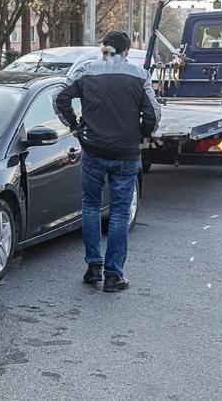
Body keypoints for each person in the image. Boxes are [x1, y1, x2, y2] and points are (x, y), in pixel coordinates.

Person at [54, 31, 161, 292]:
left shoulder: (87, 72)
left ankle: (93, 268)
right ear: (126, 51)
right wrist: (141, 134)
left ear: (105, 49)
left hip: (93, 150)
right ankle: (114, 275)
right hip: (125, 154)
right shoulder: (139, 76)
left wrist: (76, 126)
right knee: (120, 213)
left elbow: (60, 99)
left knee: (90, 207)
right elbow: (153, 114)